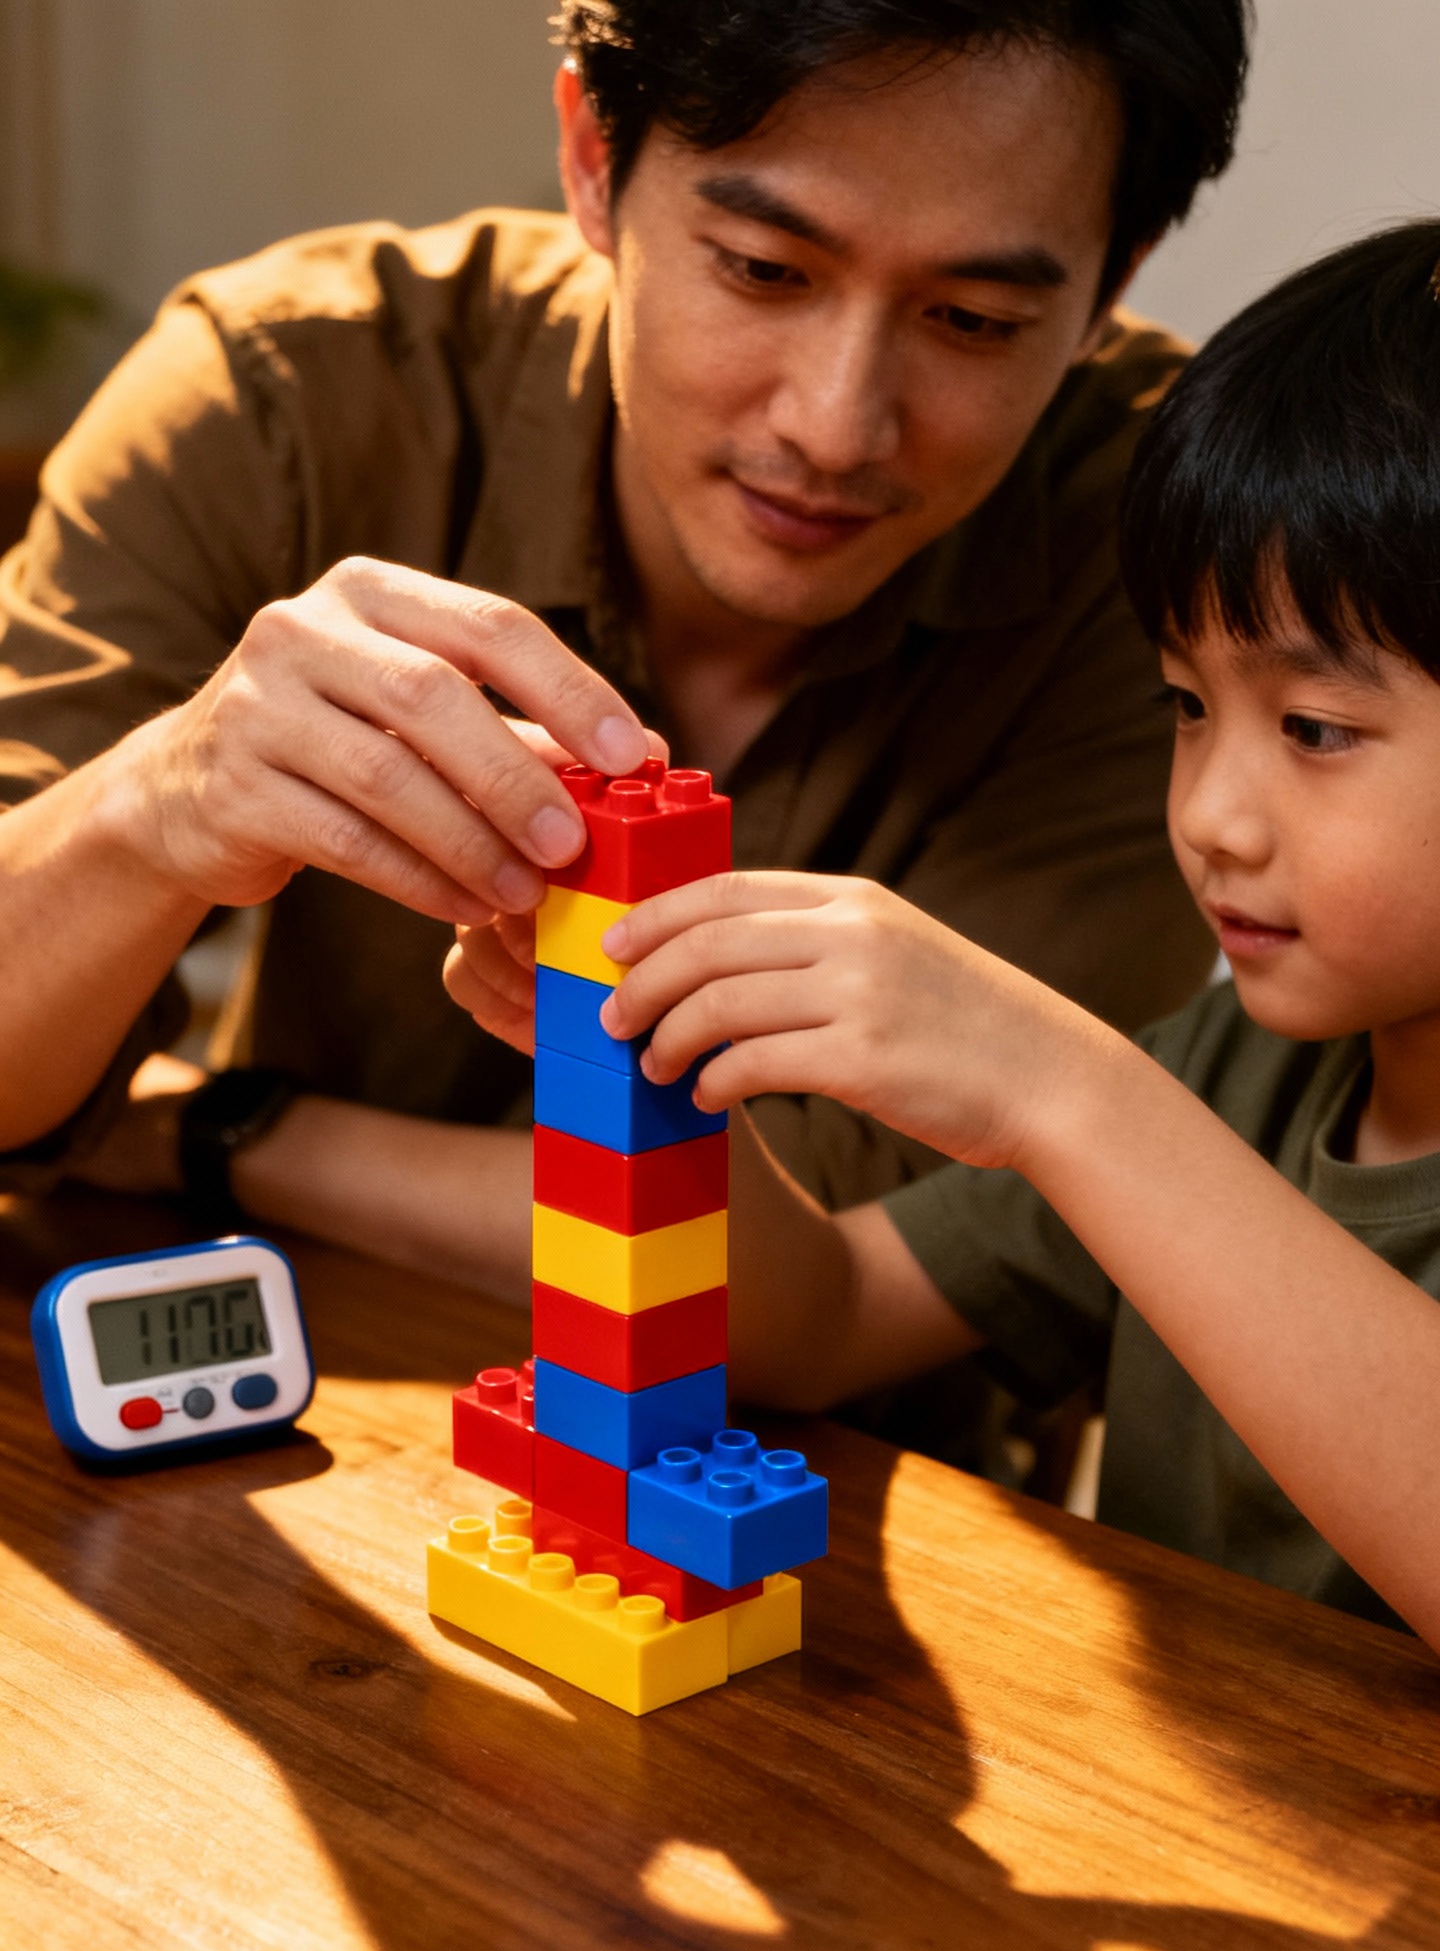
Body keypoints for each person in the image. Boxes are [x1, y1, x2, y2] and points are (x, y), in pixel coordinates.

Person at [0, 0, 1247, 1312]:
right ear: (594, 158)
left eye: (974, 321)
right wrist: (155, 809)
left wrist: (208, 1131)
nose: (835, 424)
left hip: (847, 1484)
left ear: (1112, 281)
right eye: (765, 268)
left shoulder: (1177, 558)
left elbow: (840, 1245)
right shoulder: (281, 404)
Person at [449, 221, 1440, 1645]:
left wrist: (1062, 1088)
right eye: (1186, 706)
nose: (1215, 814)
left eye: (1315, 729)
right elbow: (829, 1318)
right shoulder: (1237, 1073)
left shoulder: (1143, 1113)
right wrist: (632, 1060)